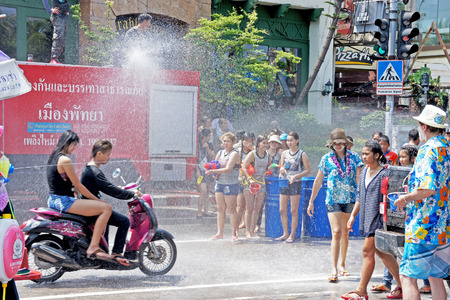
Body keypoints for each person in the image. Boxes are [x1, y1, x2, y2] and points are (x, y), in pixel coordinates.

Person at [394, 105, 450, 300]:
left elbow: (428, 189)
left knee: (407, 277)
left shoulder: (427, 150)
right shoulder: (447, 148)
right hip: (443, 226)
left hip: (424, 226)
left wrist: (405, 198)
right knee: (436, 276)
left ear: (424, 127)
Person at [342, 141, 402, 300]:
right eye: (362, 153)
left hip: (379, 219)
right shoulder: (363, 172)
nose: (363, 156)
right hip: (366, 217)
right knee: (382, 253)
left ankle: (362, 290)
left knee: (367, 251)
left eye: (367, 154)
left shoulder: (384, 174)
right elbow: (360, 197)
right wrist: (353, 215)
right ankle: (402, 285)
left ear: (377, 155)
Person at [47, 130, 114, 262]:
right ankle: (93, 247)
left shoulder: (54, 157)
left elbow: (67, 184)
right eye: (74, 145)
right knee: (106, 208)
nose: (74, 149)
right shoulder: (65, 160)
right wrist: (98, 200)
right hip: (64, 201)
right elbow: (78, 185)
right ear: (68, 143)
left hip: (55, 200)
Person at [307, 128, 363, 282]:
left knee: (345, 232)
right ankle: (333, 268)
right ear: (331, 144)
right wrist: (311, 201)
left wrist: (361, 198)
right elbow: (318, 180)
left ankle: (343, 265)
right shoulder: (326, 159)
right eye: (335, 143)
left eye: (340, 143)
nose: (338, 145)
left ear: (346, 143)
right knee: (336, 232)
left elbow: (359, 178)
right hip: (333, 198)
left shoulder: (355, 157)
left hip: (350, 198)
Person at [80, 140, 142, 266]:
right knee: (124, 222)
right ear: (99, 154)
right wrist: (132, 194)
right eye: (108, 154)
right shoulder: (94, 171)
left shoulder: (89, 168)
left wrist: (118, 188)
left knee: (108, 218)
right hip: (92, 209)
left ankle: (104, 254)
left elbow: (104, 186)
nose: (109, 157)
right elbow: (110, 189)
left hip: (91, 207)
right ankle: (117, 253)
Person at [277, 132, 310, 243]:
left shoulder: (302, 154)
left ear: (297, 140)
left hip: (295, 183)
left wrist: (296, 176)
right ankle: (285, 233)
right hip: (284, 181)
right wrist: (281, 170)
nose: (289, 143)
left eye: (291, 140)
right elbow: (281, 167)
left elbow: (307, 170)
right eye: (288, 140)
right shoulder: (284, 153)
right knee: (282, 210)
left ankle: (292, 234)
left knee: (293, 210)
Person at [206, 132, 240, 241]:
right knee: (220, 208)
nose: (225, 143)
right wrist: (213, 170)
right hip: (220, 183)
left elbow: (228, 169)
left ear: (233, 142)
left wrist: (212, 171)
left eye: (228, 141)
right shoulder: (220, 152)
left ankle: (234, 233)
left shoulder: (234, 153)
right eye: (224, 141)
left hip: (231, 183)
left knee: (231, 209)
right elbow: (216, 164)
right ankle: (219, 233)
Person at [242, 135, 271, 239]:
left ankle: (253, 230)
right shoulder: (252, 154)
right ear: (258, 144)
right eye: (264, 143)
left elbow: (268, 168)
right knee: (249, 208)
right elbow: (244, 167)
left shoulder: (268, 155)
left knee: (257, 209)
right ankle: (247, 232)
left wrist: (271, 169)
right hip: (249, 183)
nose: (266, 145)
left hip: (261, 184)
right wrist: (249, 179)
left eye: (267, 143)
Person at [255, 134, 282, 233]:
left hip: (275, 182)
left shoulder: (280, 155)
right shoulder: (265, 153)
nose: (274, 144)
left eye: (276, 142)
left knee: (274, 203)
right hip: (264, 180)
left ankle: (274, 224)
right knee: (260, 204)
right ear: (269, 143)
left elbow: (281, 166)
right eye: (272, 142)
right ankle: (257, 224)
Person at [236, 132, 254, 232]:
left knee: (250, 207)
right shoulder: (238, 151)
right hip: (239, 180)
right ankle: (235, 229)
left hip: (251, 181)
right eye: (245, 141)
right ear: (242, 141)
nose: (247, 143)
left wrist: (252, 150)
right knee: (239, 206)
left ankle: (249, 229)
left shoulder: (255, 152)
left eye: (250, 141)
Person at [196, 129, 215, 218]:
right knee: (203, 190)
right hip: (200, 171)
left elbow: (213, 156)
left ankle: (206, 211)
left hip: (209, 170)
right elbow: (195, 159)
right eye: (208, 136)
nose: (210, 138)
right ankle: (199, 212)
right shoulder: (197, 146)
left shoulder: (210, 145)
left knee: (207, 191)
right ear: (204, 137)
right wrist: (197, 171)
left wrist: (207, 147)